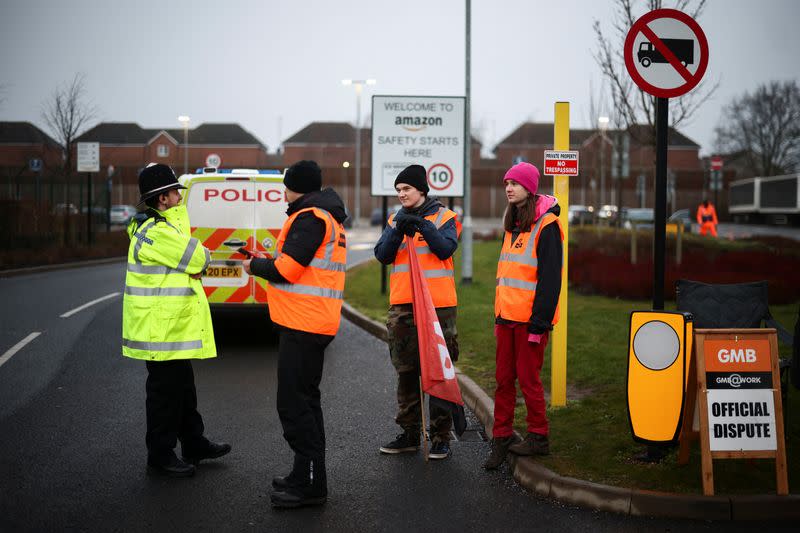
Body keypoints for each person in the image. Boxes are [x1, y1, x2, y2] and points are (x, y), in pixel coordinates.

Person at [243, 160, 347, 508]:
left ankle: (311, 486)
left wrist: (254, 265)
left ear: (296, 186)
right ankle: (304, 474)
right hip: (308, 323)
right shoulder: (320, 216)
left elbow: (287, 270)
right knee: (305, 402)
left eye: (286, 185)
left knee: (294, 406)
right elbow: (299, 266)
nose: (282, 192)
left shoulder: (310, 218)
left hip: (305, 325)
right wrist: (266, 259)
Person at [122, 163, 230, 478]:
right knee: (164, 396)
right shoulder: (156, 232)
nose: (179, 197)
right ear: (162, 199)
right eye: (174, 192)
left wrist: (195, 259)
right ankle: (160, 454)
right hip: (159, 330)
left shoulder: (166, 228)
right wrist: (200, 259)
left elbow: (191, 257)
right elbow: (197, 257)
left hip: (170, 327)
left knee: (183, 389)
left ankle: (194, 443)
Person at [374, 164, 461, 460]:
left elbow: (445, 248)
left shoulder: (446, 217)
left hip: (439, 307)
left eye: (406, 189)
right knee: (406, 371)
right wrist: (398, 227)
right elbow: (383, 255)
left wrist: (423, 226)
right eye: (398, 190)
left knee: (438, 370)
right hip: (403, 306)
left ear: (421, 190)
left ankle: (440, 436)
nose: (401, 194)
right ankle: (410, 433)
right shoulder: (394, 219)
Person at [484, 162, 563, 470]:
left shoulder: (547, 226)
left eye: (515, 183)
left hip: (531, 322)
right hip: (506, 319)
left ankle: (538, 438)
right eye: (506, 183)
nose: (509, 188)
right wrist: (499, 316)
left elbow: (550, 281)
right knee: (503, 380)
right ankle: (501, 438)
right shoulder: (514, 223)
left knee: (528, 381)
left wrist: (539, 325)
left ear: (529, 188)